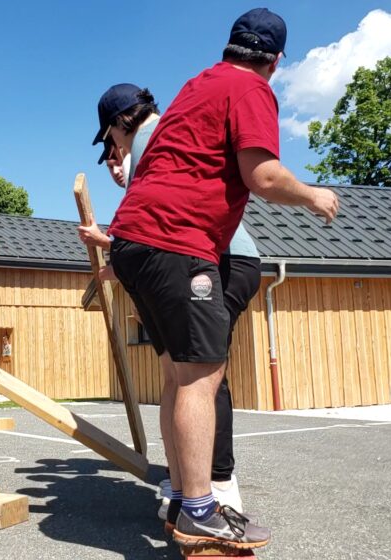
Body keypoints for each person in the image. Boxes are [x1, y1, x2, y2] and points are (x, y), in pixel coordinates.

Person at [100, 9, 339, 549]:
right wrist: (313, 195)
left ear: (230, 45)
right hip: (178, 243)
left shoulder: (197, 84)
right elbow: (264, 176)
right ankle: (202, 508)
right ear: (276, 60)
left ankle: (187, 498)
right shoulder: (251, 88)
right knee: (200, 378)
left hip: (135, 240)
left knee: (176, 374)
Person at [82, 84, 260, 522]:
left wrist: (112, 244)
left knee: (202, 373)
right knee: (180, 373)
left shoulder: (158, 135)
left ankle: (219, 485)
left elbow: (165, 226)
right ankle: (184, 486)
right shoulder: (149, 146)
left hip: (227, 259)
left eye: (109, 141)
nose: (113, 151)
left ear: (119, 124)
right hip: (200, 256)